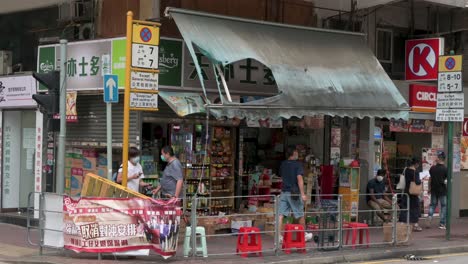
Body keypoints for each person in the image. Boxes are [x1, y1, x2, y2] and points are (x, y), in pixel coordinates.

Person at [278, 146, 312, 242]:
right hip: (294, 193)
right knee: (300, 214)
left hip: (284, 192)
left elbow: (282, 176)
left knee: (281, 214)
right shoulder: (297, 165)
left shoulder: (283, 164)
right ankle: (304, 234)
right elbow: (299, 179)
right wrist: (302, 194)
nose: (298, 154)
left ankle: (278, 236)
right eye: (296, 152)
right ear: (293, 154)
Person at [399, 158, 423, 232]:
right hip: (413, 192)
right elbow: (417, 182)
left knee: (405, 207)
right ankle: (415, 224)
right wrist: (420, 180)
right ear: (416, 164)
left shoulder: (406, 170)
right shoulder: (415, 172)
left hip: (406, 191)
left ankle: (403, 223)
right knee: (415, 208)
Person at [428, 151, 448, 229]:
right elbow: (447, 181)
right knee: (443, 206)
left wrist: (429, 188)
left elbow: (430, 179)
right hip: (442, 190)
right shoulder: (445, 169)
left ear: (438, 158)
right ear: (444, 159)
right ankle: (442, 223)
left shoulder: (432, 168)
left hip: (433, 189)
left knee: (432, 205)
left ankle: (429, 217)